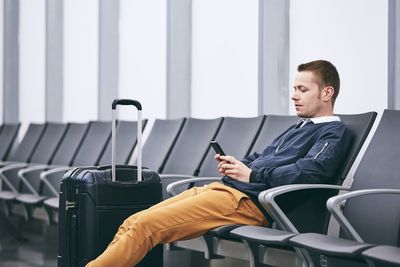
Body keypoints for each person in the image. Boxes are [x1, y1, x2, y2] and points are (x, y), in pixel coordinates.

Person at [86, 59, 352, 267]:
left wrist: (252, 174)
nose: (294, 95)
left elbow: (310, 172)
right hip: (223, 191)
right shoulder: (298, 127)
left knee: (146, 227)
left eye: (302, 89)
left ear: (327, 93)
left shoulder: (333, 132)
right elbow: (260, 158)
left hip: (246, 204)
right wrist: (237, 166)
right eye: (294, 88)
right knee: (133, 220)